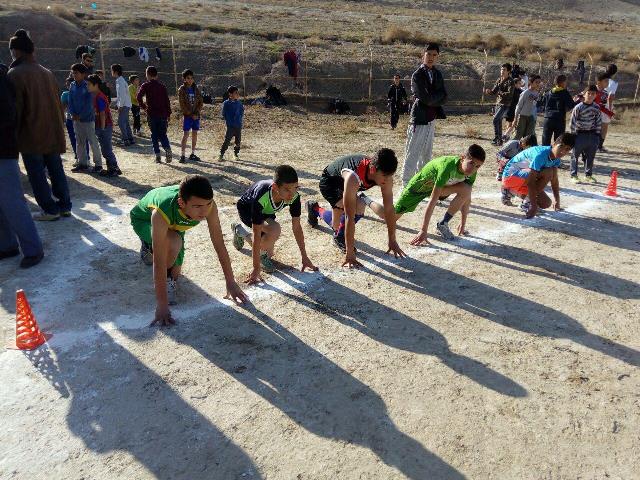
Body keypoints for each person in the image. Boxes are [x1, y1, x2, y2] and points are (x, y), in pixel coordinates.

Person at [130, 174, 247, 326]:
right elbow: (159, 261)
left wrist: (231, 281)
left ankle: (163, 255)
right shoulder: (161, 211)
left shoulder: (209, 207)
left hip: (175, 225)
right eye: (197, 206)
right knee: (172, 245)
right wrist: (162, 303)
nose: (204, 211)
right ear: (181, 203)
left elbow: (219, 244)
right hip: (144, 221)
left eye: (208, 204)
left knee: (175, 270)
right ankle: (148, 247)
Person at [8, 29, 72, 222]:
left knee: (36, 174)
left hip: (31, 134)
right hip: (52, 131)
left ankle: (49, 209)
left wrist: (12, 135)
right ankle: (64, 206)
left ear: (17, 51)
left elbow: (16, 110)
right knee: (56, 169)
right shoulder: (47, 72)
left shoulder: (15, 74)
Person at [364, 144, 486, 244]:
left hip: (440, 187)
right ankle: (365, 199)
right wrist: (423, 230)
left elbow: (467, 198)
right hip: (418, 188)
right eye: (471, 163)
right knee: (390, 218)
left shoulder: (471, 173)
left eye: (477, 166)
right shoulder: (446, 167)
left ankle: (443, 223)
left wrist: (463, 224)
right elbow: (433, 200)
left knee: (466, 189)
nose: (473, 168)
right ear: (462, 157)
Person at [306, 149, 405, 268]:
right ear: (373, 169)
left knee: (355, 209)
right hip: (330, 183)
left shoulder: (385, 177)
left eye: (390, 176)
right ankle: (316, 210)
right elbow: (349, 217)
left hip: (346, 185)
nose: (387, 180)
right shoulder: (353, 177)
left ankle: (315, 209)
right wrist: (350, 254)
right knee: (337, 226)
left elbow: (389, 210)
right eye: (384, 176)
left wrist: (392, 240)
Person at [231, 165, 317, 283]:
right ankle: (259, 252)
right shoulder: (262, 195)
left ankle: (240, 231)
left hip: (267, 212)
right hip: (247, 210)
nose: (292, 194)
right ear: (275, 187)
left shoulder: (294, 196)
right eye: (287, 189)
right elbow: (256, 232)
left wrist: (304, 256)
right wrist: (256, 267)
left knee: (269, 252)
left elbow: (297, 227)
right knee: (274, 230)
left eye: (295, 188)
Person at [0, 63, 44, 268]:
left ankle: (33, 249)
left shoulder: (1, 79)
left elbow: (8, 116)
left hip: (3, 149)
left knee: (13, 202)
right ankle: (7, 245)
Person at [402, 43, 447, 186]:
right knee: (412, 153)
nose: (431, 58)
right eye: (429, 54)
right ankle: (406, 184)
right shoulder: (417, 75)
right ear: (423, 55)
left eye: (434, 55)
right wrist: (435, 98)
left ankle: (421, 183)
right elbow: (424, 97)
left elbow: (444, 96)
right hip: (419, 119)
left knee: (426, 155)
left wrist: (432, 98)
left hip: (431, 119)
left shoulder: (437, 74)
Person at [501, 133, 576, 218]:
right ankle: (526, 204)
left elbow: (554, 181)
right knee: (548, 172)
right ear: (554, 144)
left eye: (567, 149)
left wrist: (557, 201)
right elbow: (530, 181)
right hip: (509, 176)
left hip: (521, 178)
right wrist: (533, 206)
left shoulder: (556, 160)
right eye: (561, 146)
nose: (563, 151)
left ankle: (509, 192)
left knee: (546, 203)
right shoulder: (541, 154)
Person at [68, 63, 103, 173]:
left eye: (76, 73)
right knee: (80, 142)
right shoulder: (72, 85)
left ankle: (98, 165)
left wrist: (80, 115)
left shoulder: (87, 86)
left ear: (83, 74)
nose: (74, 75)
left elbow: (89, 103)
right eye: (73, 73)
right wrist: (72, 114)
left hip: (87, 119)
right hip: (76, 119)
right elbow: (70, 101)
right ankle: (82, 163)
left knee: (92, 142)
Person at [87, 74, 122, 177]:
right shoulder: (95, 96)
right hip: (102, 126)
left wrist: (102, 128)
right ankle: (110, 168)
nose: (87, 87)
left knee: (107, 149)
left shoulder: (99, 97)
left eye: (89, 84)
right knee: (105, 149)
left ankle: (114, 168)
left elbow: (103, 113)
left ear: (96, 85)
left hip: (105, 126)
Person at [137, 66, 172, 163]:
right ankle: (167, 149)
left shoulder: (145, 85)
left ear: (147, 75)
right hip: (163, 114)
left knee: (154, 135)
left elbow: (138, 97)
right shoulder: (162, 86)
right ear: (156, 75)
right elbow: (167, 101)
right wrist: (168, 114)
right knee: (163, 134)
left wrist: (144, 107)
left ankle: (157, 156)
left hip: (152, 114)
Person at [569, 85, 601, 184]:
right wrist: (573, 135)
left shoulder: (596, 107)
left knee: (590, 157)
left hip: (592, 135)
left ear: (596, 95)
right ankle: (573, 175)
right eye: (589, 93)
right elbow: (572, 122)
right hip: (579, 135)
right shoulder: (578, 107)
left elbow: (598, 121)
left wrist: (597, 135)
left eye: (593, 94)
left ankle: (588, 175)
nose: (591, 95)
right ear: (584, 94)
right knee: (575, 156)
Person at [496, 134, 538, 205]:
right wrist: (504, 160)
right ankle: (506, 189)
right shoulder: (513, 143)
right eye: (529, 147)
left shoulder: (529, 151)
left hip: (518, 168)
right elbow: (498, 154)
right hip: (506, 167)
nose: (530, 150)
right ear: (525, 143)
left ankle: (510, 191)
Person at [541, 74, 577, 146]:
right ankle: (555, 156)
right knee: (558, 141)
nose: (566, 84)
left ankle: (544, 155)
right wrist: (575, 100)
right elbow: (571, 105)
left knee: (545, 140)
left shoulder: (548, 92)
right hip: (559, 120)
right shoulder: (564, 93)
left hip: (548, 118)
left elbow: (542, 103)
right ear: (562, 83)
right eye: (565, 82)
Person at [484, 63, 515, 146]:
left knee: (495, 120)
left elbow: (509, 94)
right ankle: (499, 140)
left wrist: (499, 93)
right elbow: (494, 91)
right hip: (498, 103)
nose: (502, 71)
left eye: (504, 70)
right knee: (499, 121)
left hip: (505, 104)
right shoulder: (499, 79)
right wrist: (489, 92)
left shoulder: (510, 81)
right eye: (501, 69)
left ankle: (497, 138)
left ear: (508, 71)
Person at [178, 69, 204, 163]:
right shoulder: (182, 89)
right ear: (184, 79)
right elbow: (182, 104)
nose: (190, 80)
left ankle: (192, 153)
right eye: (188, 78)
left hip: (196, 116)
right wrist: (190, 114)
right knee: (186, 134)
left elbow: (201, 101)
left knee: (195, 134)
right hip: (188, 116)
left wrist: (196, 113)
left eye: (191, 78)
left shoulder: (195, 89)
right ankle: (182, 155)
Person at [111, 64, 134, 146]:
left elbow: (122, 95)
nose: (111, 72)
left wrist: (120, 106)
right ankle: (130, 139)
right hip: (126, 104)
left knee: (121, 122)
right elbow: (121, 95)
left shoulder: (119, 81)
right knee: (125, 122)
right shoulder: (120, 80)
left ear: (116, 72)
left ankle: (125, 140)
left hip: (124, 105)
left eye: (112, 70)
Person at [513, 74, 542, 139]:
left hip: (532, 118)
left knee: (528, 137)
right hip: (523, 117)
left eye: (539, 82)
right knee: (518, 135)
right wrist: (515, 119)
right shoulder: (525, 93)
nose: (538, 84)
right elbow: (519, 106)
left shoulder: (537, 93)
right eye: (536, 82)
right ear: (531, 83)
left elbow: (535, 106)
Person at [219, 85, 244, 161]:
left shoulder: (239, 103)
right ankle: (221, 154)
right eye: (236, 93)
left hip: (238, 126)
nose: (237, 94)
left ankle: (236, 154)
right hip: (230, 126)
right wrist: (228, 119)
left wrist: (239, 119)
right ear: (230, 94)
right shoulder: (226, 103)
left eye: (238, 93)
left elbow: (242, 112)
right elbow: (222, 114)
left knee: (238, 141)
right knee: (227, 141)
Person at [595, 73, 614, 153]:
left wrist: (610, 111)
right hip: (594, 113)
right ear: (599, 82)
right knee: (596, 129)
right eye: (606, 81)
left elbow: (607, 102)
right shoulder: (592, 90)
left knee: (604, 129)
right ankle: (595, 146)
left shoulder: (606, 91)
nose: (608, 83)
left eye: (608, 81)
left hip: (604, 113)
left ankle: (599, 146)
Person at [602, 64, 618, 152]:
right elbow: (610, 97)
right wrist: (610, 108)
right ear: (615, 72)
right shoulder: (614, 83)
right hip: (606, 106)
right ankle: (600, 146)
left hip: (597, 104)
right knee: (604, 127)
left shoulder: (600, 79)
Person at [502, 76, 523, 141]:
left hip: (509, 109)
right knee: (512, 124)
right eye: (519, 83)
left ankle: (506, 136)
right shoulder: (517, 91)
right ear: (515, 84)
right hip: (513, 110)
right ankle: (505, 135)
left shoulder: (513, 90)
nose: (520, 84)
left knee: (509, 124)